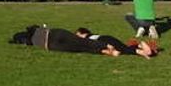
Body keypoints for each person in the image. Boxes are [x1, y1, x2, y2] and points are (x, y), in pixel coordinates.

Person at [9, 25, 157, 58]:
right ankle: (105, 47)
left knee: (82, 47)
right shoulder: (37, 30)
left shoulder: (32, 41)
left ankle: (106, 50)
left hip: (51, 45)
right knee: (83, 44)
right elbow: (38, 27)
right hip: (55, 34)